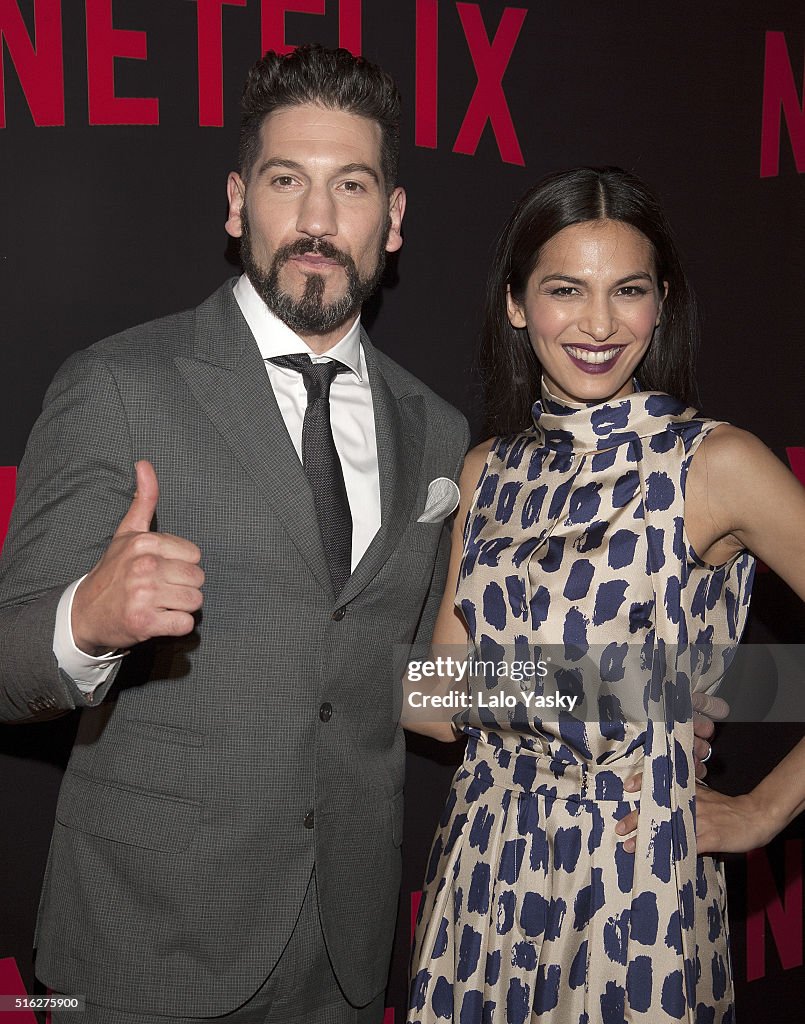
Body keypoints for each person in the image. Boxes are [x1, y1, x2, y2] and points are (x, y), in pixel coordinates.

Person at [0, 45, 469, 1024]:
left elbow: (415, 681)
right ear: (234, 203)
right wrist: (84, 619)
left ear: (391, 220)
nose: (314, 219)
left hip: (340, 957)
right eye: (283, 180)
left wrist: (618, 698)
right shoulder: (120, 385)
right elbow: (9, 657)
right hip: (144, 950)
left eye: (350, 186)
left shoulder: (436, 431)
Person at [404, 167, 805, 1024]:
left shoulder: (713, 464)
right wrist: (625, 692)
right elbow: (436, 704)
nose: (597, 324)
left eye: (626, 290)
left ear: (660, 304)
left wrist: (766, 810)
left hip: (631, 874)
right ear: (516, 305)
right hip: (485, 857)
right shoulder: (486, 471)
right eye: (564, 290)